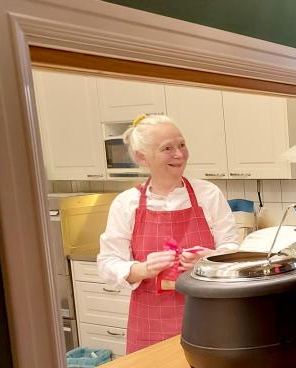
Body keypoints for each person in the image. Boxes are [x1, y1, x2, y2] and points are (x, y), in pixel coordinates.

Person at [97, 114, 239, 354]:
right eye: (167, 148)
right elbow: (108, 263)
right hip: (150, 325)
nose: (180, 154)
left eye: (182, 144)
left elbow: (233, 249)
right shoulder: (126, 204)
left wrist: (211, 259)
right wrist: (144, 269)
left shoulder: (208, 194)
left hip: (210, 319)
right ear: (143, 157)